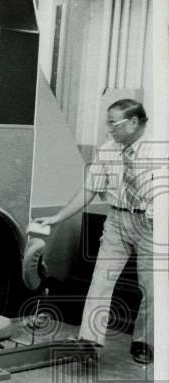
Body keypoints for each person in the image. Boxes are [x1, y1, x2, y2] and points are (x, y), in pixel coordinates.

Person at [33, 99, 158, 365]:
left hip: (151, 223)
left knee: (152, 288)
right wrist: (57, 217)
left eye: (114, 123)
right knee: (101, 279)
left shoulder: (159, 150)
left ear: (134, 122)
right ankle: (89, 342)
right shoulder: (109, 150)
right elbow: (89, 190)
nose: (108, 128)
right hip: (117, 220)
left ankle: (144, 341)